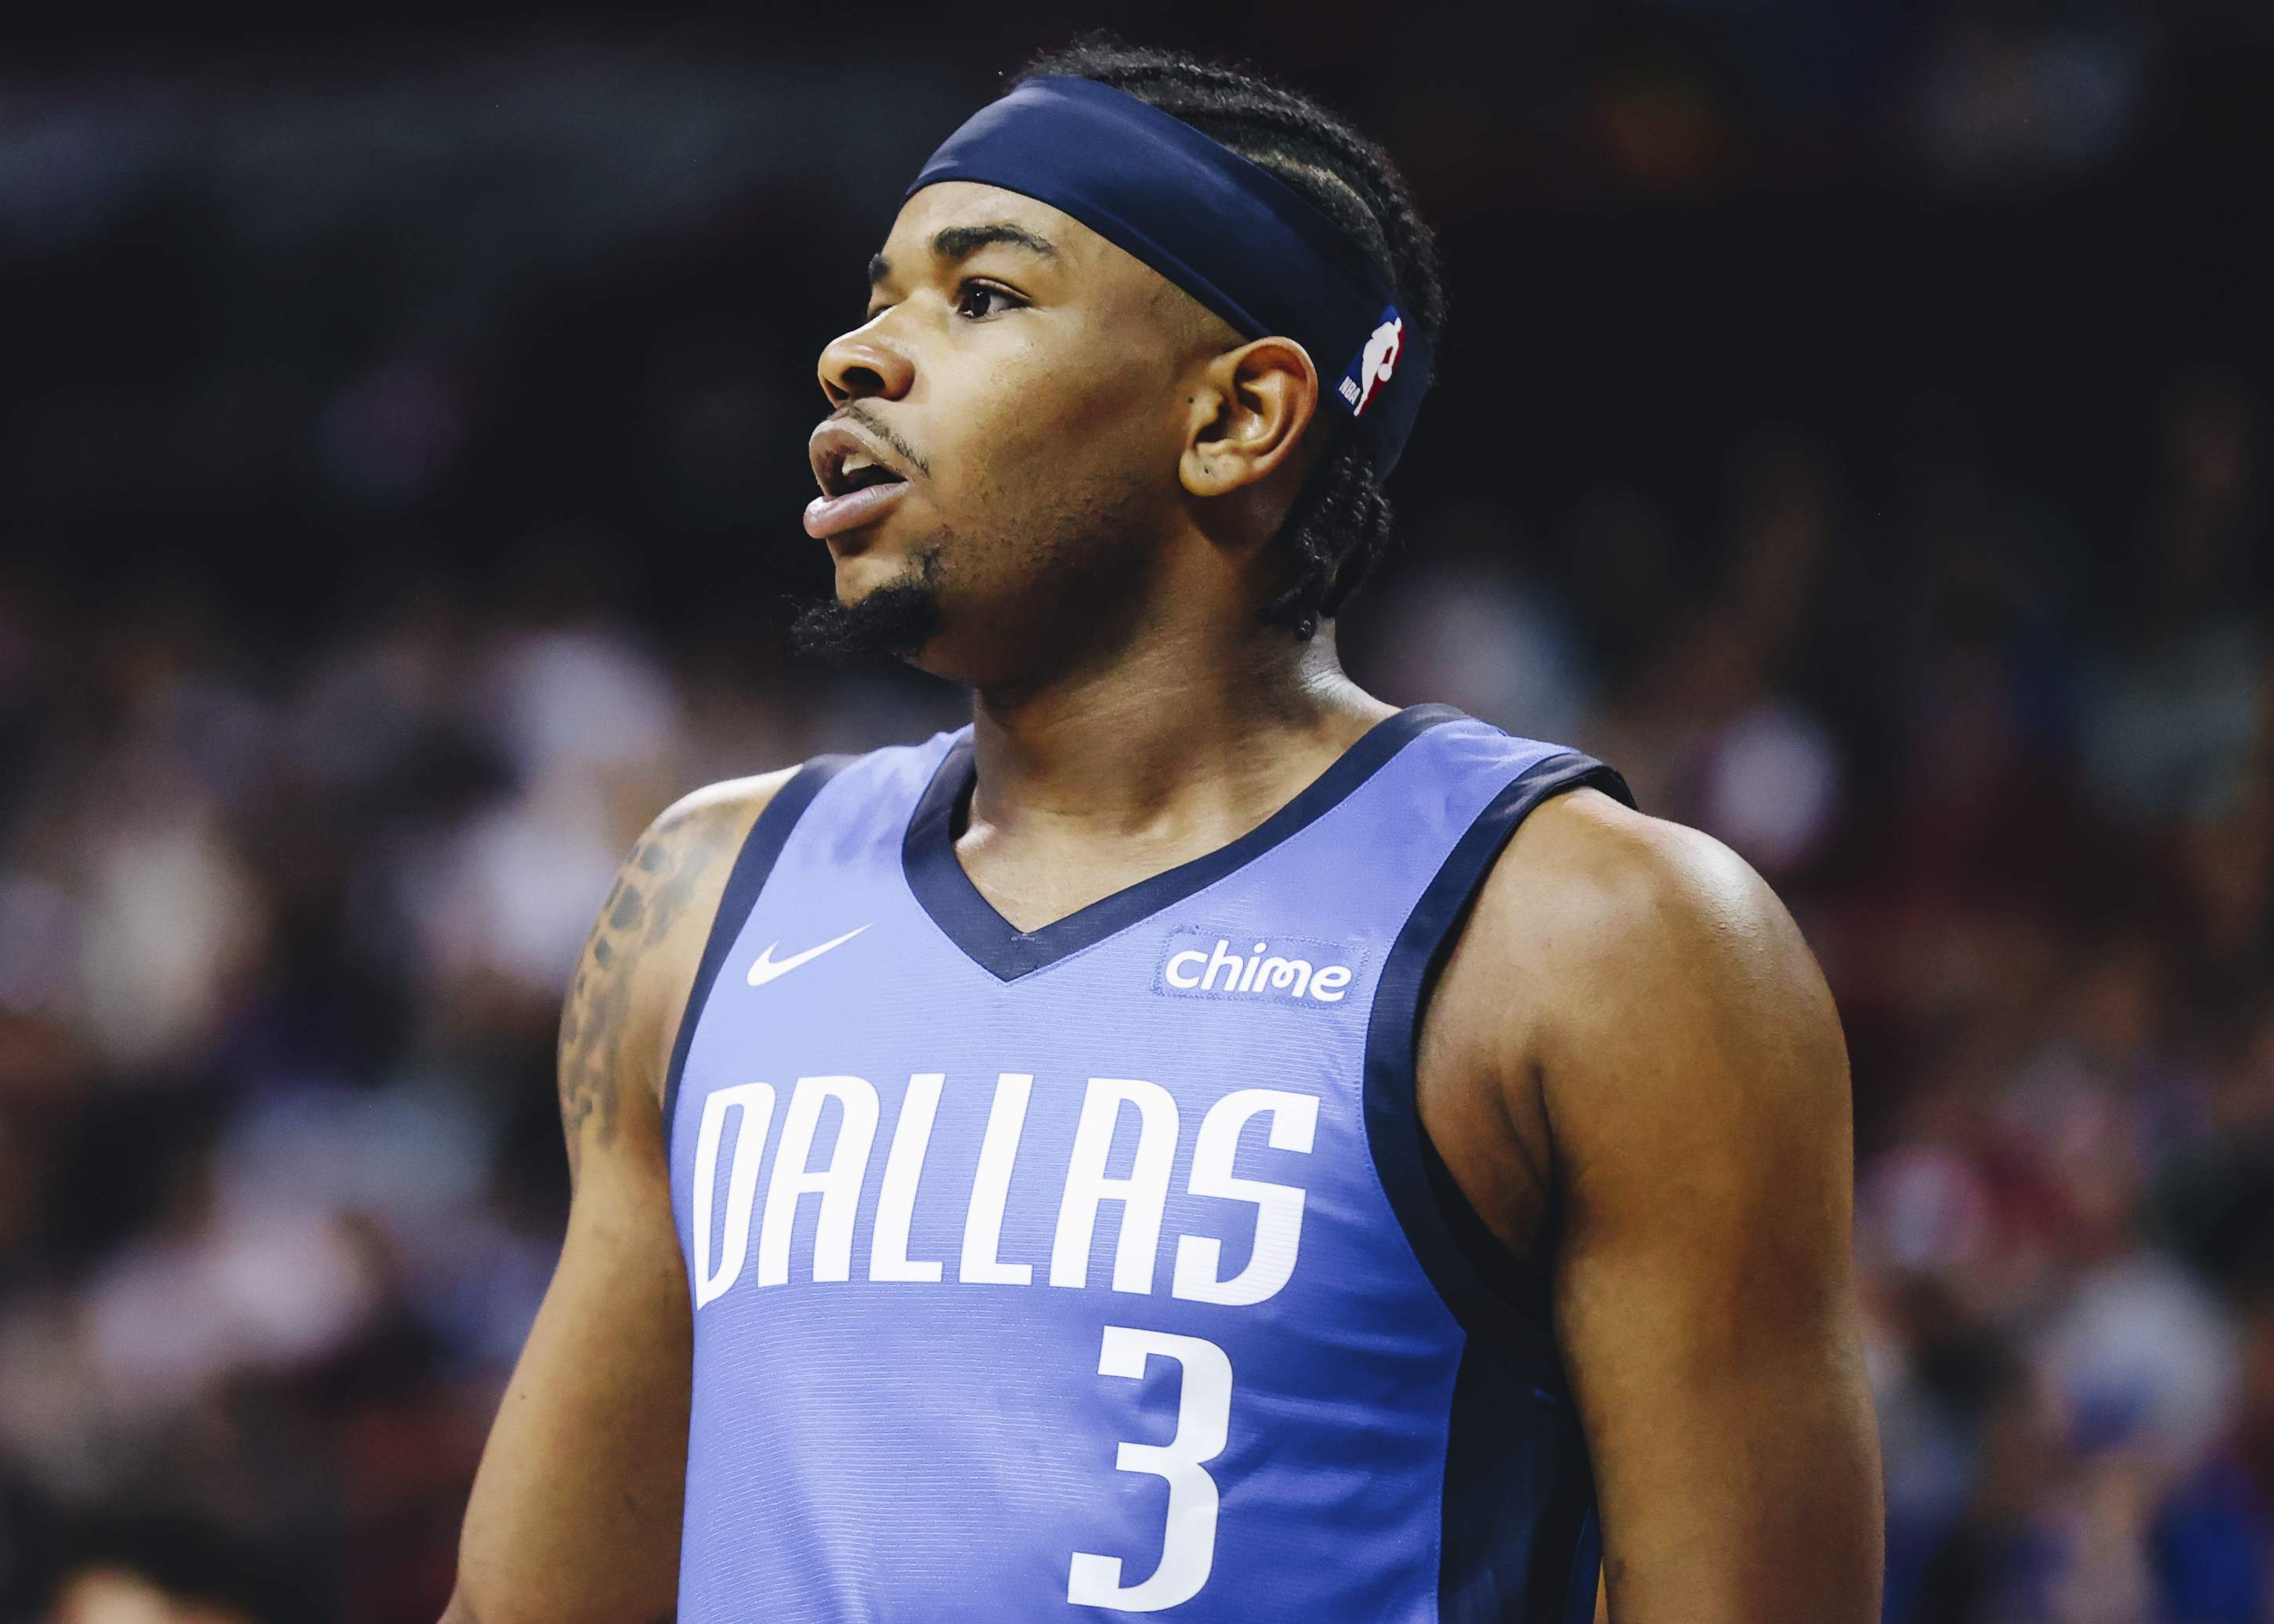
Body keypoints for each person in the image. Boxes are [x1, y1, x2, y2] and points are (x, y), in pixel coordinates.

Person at [445, 41, 1879, 1624]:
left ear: (1237, 415)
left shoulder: (1599, 939)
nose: (857, 353)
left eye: (979, 296)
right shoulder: (706, 897)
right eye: (875, 295)